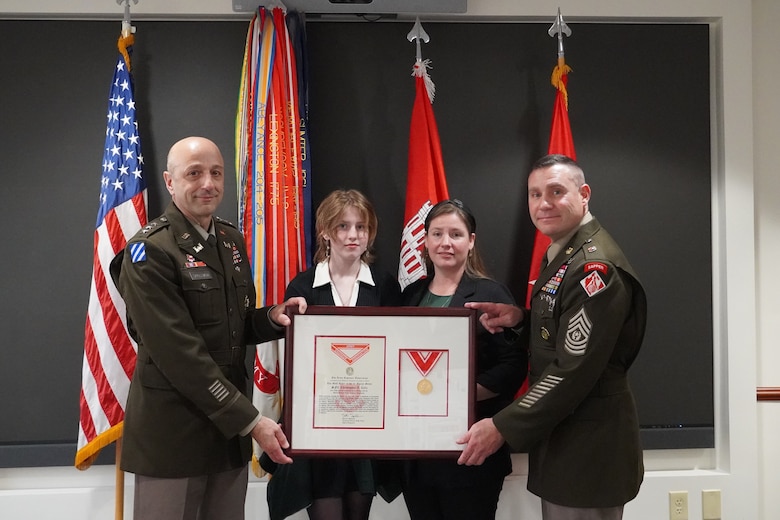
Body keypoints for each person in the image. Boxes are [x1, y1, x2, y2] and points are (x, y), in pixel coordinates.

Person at [110, 136, 306, 520]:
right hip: (174, 436)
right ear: (170, 181)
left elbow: (230, 327)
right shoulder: (150, 251)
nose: (208, 183)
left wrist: (273, 317)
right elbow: (179, 353)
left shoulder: (230, 239)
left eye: (216, 173)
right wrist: (251, 421)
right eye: (194, 173)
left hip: (226, 433)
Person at [457, 154, 648, 520]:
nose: (543, 203)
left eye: (556, 191)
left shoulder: (596, 267)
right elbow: (564, 332)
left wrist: (502, 426)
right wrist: (520, 321)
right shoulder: (564, 252)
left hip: (588, 448)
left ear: (584, 194)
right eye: (534, 194)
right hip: (565, 437)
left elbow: (573, 368)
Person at [263, 189, 402, 520]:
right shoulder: (303, 288)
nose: (353, 235)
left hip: (368, 423)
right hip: (319, 423)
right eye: (342, 226)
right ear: (325, 230)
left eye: (361, 227)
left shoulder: (384, 285)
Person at [399, 199, 528, 520]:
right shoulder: (408, 297)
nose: (445, 243)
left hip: (469, 450)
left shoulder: (491, 294)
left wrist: (458, 394)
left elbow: (512, 368)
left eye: (455, 234)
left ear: (470, 242)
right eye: (437, 234)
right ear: (425, 241)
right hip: (417, 453)